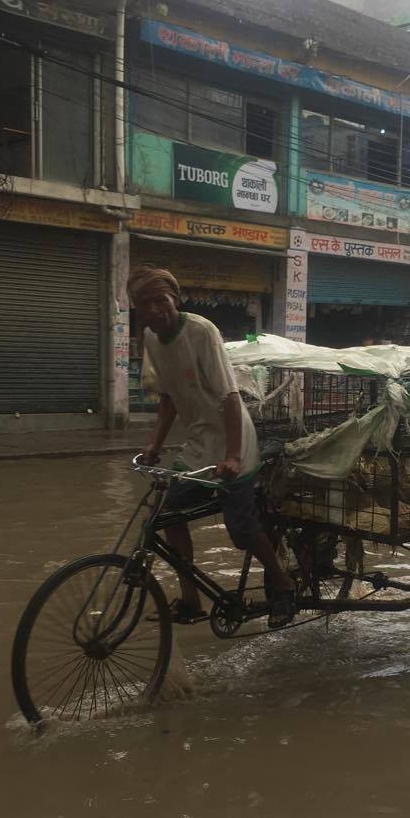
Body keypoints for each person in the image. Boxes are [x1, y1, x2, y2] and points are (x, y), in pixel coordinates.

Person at [132, 266, 295, 626]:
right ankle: (191, 601)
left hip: (234, 440)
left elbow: (231, 397)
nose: (156, 309)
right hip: (198, 444)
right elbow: (168, 399)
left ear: (174, 298)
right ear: (137, 309)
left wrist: (234, 456)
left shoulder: (202, 331)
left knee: (240, 529)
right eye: (146, 303)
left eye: (161, 299)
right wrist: (154, 446)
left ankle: (282, 582)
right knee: (166, 516)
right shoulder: (151, 340)